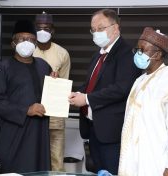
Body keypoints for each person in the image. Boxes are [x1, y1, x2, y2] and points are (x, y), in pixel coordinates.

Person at [68, 9, 142, 174]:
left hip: (112, 133)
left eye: (100, 28)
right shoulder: (97, 56)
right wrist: (73, 93)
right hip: (94, 130)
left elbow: (121, 89)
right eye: (93, 30)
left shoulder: (127, 53)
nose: (96, 33)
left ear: (115, 28)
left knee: (112, 171)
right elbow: (90, 86)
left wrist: (86, 99)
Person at [118, 27, 168, 176]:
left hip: (156, 163)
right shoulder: (140, 80)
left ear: (158, 54)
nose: (138, 54)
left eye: (143, 50)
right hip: (136, 159)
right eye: (137, 49)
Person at [0, 20, 52, 173]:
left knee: (39, 170)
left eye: (31, 39)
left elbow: (50, 93)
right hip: (13, 136)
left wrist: (54, 81)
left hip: (39, 133)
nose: (27, 43)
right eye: (22, 39)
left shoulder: (44, 65)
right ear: (13, 43)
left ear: (36, 44)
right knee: (14, 171)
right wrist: (26, 110)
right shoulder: (2, 69)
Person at [33, 12, 71, 171]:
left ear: (52, 31)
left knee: (56, 161)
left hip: (55, 117)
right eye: (39, 28)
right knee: (33, 158)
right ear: (34, 30)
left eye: (46, 28)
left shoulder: (62, 53)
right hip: (32, 116)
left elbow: (63, 86)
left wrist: (55, 81)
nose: (42, 32)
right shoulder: (27, 51)